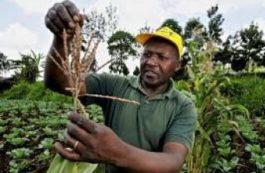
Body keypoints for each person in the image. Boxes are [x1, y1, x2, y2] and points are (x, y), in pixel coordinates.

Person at [44, 1, 197, 172]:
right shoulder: (115, 84)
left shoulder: (183, 106)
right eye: (146, 54)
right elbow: (60, 83)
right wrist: (61, 38)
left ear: (177, 65)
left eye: (161, 57)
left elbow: (173, 161)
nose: (151, 62)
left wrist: (115, 152)